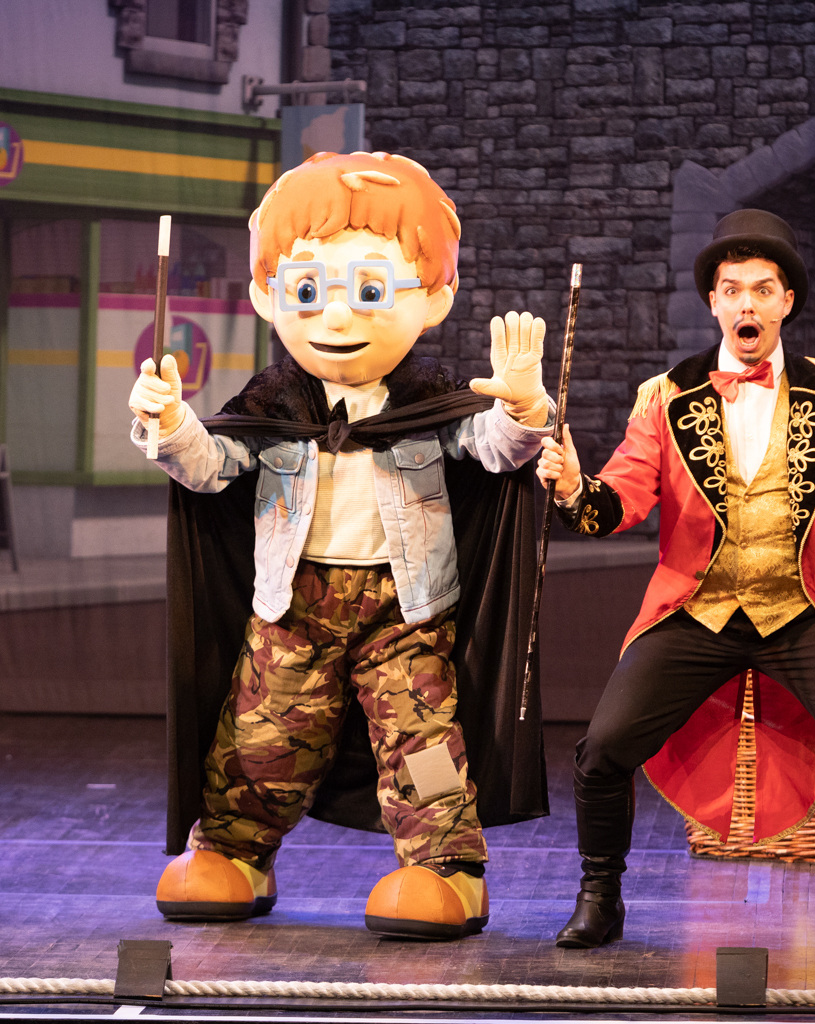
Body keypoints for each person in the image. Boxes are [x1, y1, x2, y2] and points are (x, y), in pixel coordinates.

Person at [128, 151, 552, 939]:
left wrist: (524, 408)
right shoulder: (273, 405)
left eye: (369, 291)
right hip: (292, 606)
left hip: (405, 610)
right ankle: (234, 851)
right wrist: (171, 425)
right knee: (262, 735)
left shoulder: (428, 403)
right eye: (308, 291)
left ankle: (445, 867)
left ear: (432, 298)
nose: (336, 317)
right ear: (269, 295)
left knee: (422, 742)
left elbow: (496, 450)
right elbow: (211, 467)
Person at [537, 209, 815, 954]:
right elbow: (621, 499)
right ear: (713, 302)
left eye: (762, 290)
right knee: (602, 748)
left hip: (802, 610)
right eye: (732, 289)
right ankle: (599, 898)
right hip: (695, 609)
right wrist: (576, 488)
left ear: (786, 302)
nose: (747, 304)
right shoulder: (666, 398)